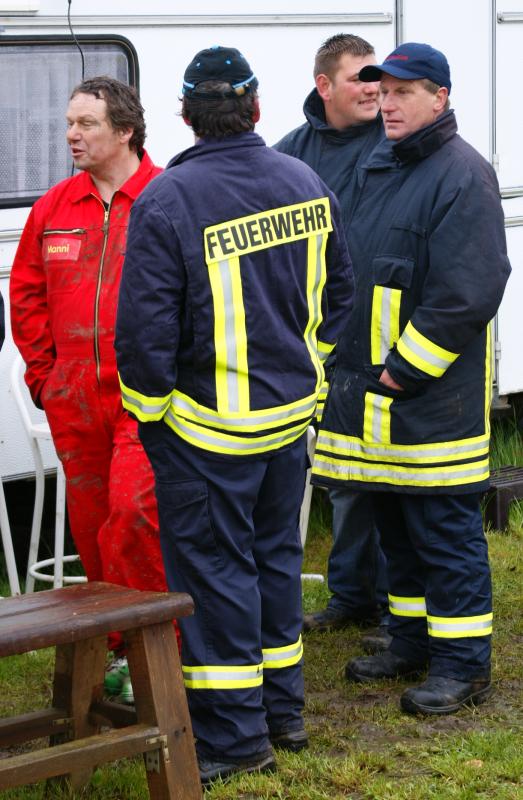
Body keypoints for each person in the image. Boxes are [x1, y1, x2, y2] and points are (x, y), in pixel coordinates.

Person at [115, 46, 353, 784]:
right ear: (254, 109)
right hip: (287, 425)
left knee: (215, 581)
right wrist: (310, 383)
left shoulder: (168, 199)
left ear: (185, 116)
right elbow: (339, 296)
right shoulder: (305, 181)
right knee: (277, 565)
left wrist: (152, 420)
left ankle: (234, 736)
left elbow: (143, 337)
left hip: (203, 434)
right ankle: (285, 711)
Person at [312, 42, 511, 715]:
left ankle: (461, 664)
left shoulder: (461, 174)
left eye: (402, 92)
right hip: (371, 402)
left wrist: (401, 372)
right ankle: (408, 640)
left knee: (444, 534)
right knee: (394, 527)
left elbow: (468, 290)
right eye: (381, 91)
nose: (386, 103)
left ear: (439, 98)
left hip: (426, 402)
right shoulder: (376, 163)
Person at [9, 76, 170, 703]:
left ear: (124, 131)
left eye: (87, 124)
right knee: (94, 524)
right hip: (74, 397)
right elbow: (25, 295)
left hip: (146, 398)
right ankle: (114, 650)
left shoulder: (164, 197)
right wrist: (45, 377)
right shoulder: (55, 207)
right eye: (69, 124)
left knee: (134, 516)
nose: (72, 135)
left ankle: (153, 648)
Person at [274, 33, 390, 645]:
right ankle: (351, 596)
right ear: (324, 86)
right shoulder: (292, 154)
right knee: (343, 473)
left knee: (393, 478)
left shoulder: (397, 141)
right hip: (320, 339)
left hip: (386, 336)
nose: (375, 88)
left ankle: (400, 603)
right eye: (361, 77)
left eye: (379, 76)